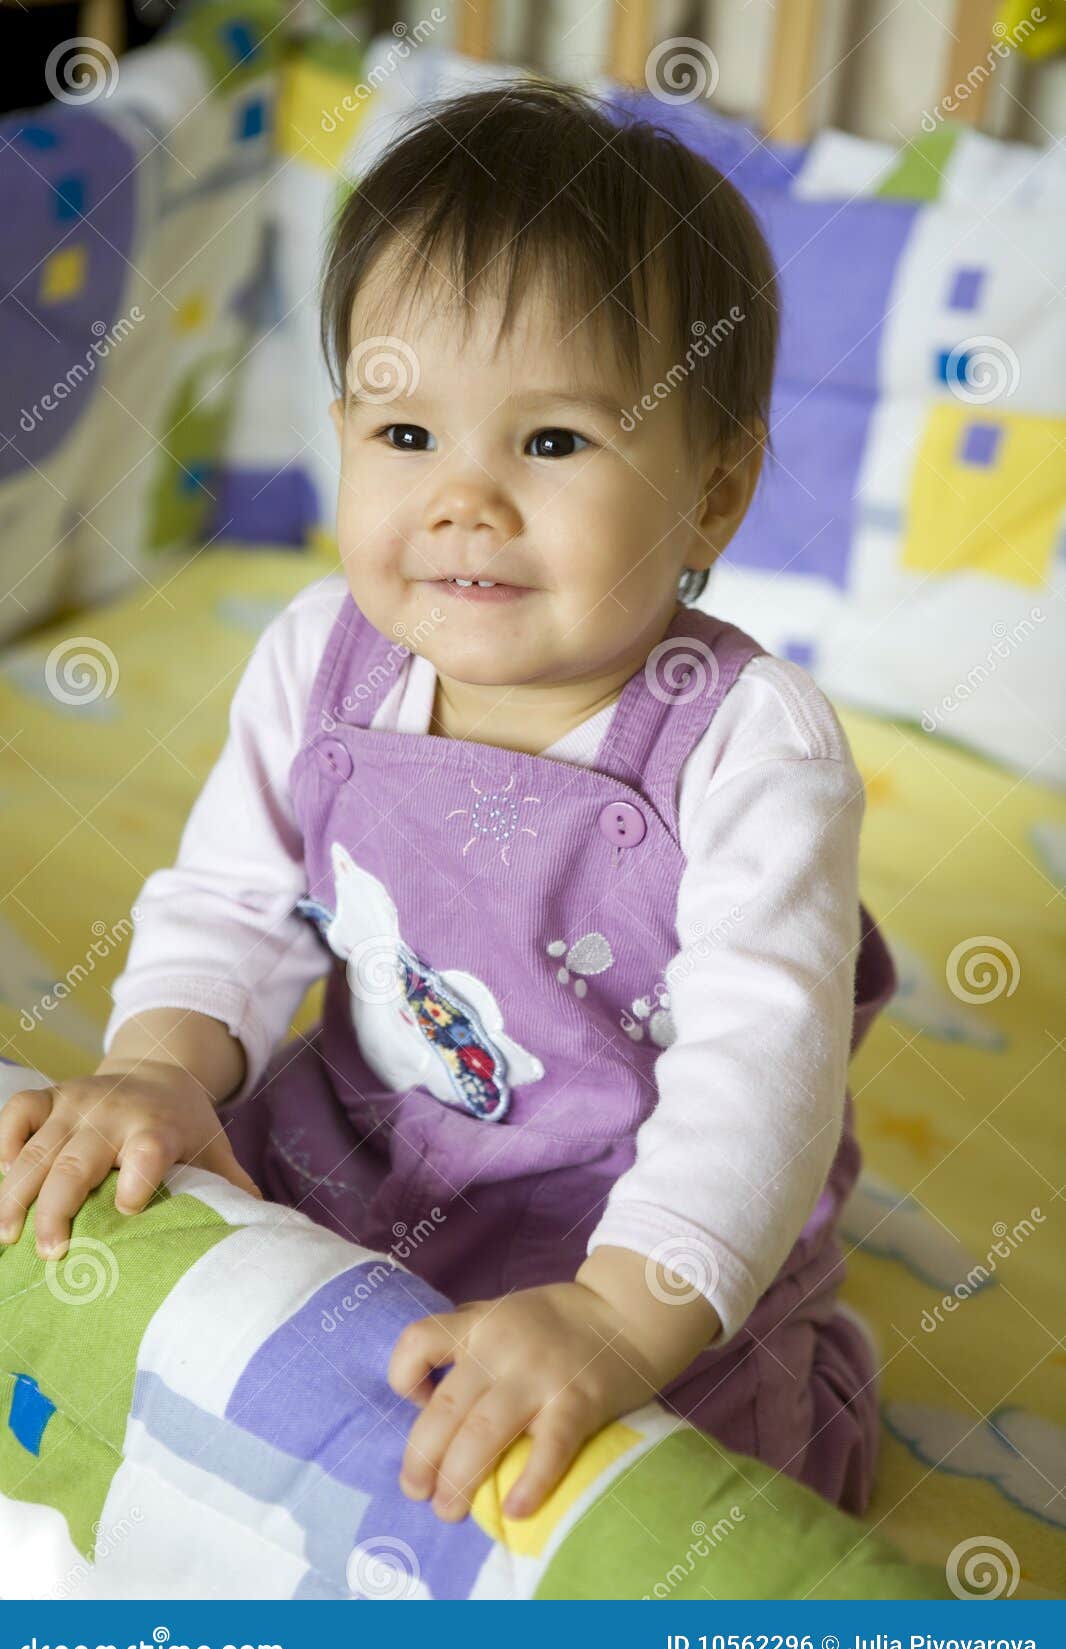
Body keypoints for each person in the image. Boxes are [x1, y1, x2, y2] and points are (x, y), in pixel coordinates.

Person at [0, 80, 896, 1526]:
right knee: (119, 1273)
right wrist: (164, 1069)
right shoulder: (320, 658)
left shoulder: (747, 745)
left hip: (637, 1221)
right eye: (407, 436)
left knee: (663, 1487)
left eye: (549, 443)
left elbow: (761, 1073)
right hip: (355, 1147)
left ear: (713, 491)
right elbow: (231, 905)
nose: (462, 500)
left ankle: (768, 1389)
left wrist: (613, 1320)